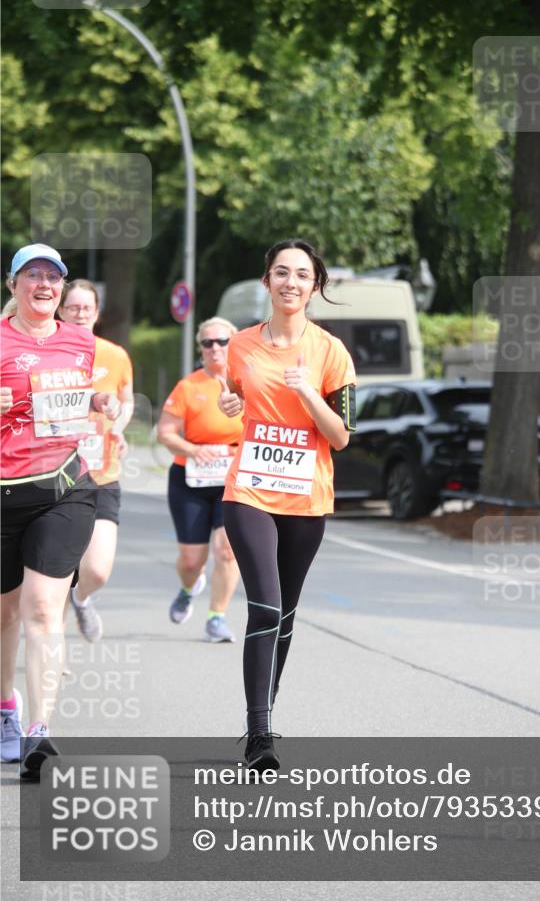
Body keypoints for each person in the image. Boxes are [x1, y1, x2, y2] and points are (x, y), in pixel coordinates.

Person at [219, 239, 356, 771]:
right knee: (266, 607)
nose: (290, 282)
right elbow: (235, 399)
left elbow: (342, 436)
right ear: (266, 282)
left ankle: (266, 711)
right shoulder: (240, 345)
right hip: (248, 489)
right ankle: (260, 734)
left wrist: (308, 394)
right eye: (281, 272)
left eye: (301, 274)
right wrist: (231, 404)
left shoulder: (331, 352)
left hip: (306, 497)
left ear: (315, 285)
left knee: (288, 614)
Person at [0, 244, 119, 780]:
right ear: (13, 286)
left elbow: (79, 398)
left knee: (44, 608)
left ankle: (39, 734)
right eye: (33, 275)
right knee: (4, 614)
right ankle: (7, 709)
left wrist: (99, 404)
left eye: (53, 276)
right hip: (5, 492)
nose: (44, 284)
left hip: (63, 488)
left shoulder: (81, 342)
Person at [157, 318, 243, 642]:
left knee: (227, 550)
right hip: (190, 479)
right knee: (192, 559)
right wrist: (192, 449)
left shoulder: (245, 384)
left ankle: (217, 617)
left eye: (222, 341)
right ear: (200, 348)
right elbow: (164, 433)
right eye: (208, 343)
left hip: (231, 479)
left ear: (233, 342)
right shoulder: (189, 386)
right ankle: (187, 586)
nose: (216, 348)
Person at [58, 280, 134, 642]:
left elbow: (127, 399)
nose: (80, 314)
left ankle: (82, 597)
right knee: (53, 571)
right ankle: (52, 657)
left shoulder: (115, 355)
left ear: (97, 313)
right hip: (52, 474)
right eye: (73, 308)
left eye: (87, 308)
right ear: (61, 311)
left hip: (101, 472)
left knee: (98, 569)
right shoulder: (47, 353)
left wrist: (118, 426)